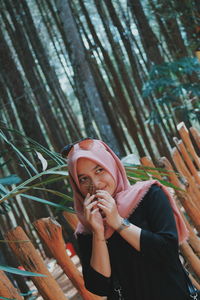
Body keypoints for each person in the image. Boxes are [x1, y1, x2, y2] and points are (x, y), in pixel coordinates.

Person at [61, 138, 191, 300]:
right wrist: (98, 233)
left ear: (112, 166)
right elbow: (99, 286)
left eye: (99, 170)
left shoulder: (149, 194)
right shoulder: (87, 226)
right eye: (83, 179)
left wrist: (117, 222)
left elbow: (167, 251)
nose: (95, 183)